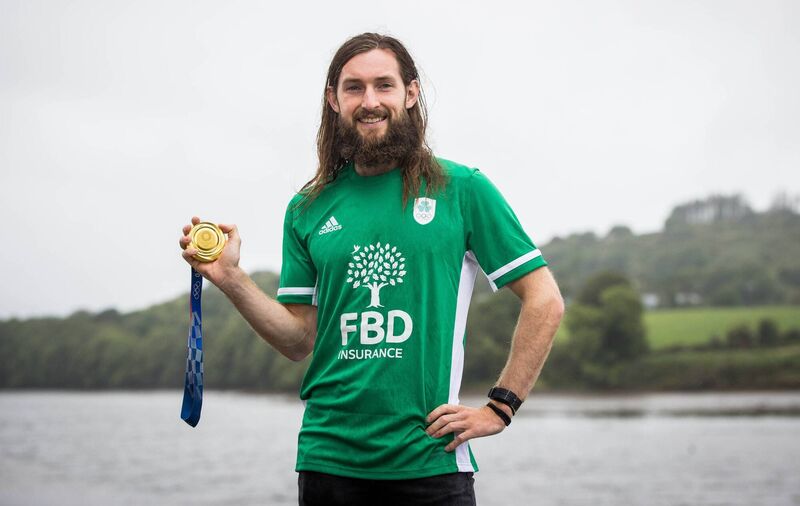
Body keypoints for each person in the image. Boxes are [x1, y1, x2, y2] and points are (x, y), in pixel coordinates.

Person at [180, 32, 564, 506]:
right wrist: (232, 279)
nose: (370, 101)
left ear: (411, 93)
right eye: (354, 88)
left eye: (384, 85)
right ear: (333, 100)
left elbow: (545, 299)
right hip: (327, 461)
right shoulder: (307, 208)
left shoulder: (461, 188)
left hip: (429, 461)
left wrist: (500, 407)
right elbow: (299, 340)